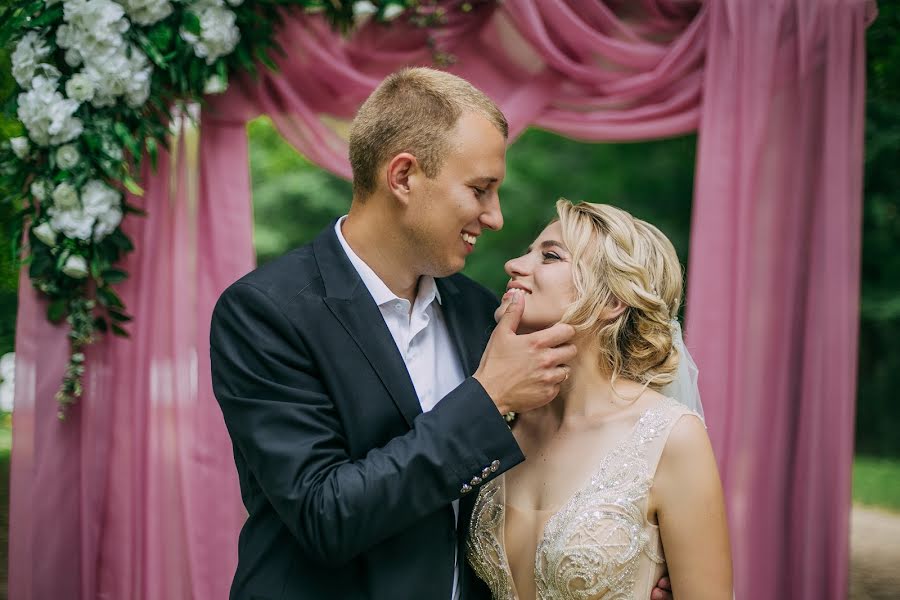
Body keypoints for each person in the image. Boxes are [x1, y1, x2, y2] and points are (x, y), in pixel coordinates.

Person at [210, 68, 675, 599]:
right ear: (404, 177)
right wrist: (489, 396)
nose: (495, 217)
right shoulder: (265, 313)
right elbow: (325, 515)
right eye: (480, 190)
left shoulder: (483, 315)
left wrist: (621, 575)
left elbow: (540, 482)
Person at [466, 200, 733, 599]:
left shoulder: (670, 438)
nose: (515, 265)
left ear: (611, 301)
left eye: (550, 256)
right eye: (527, 252)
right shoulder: (501, 422)